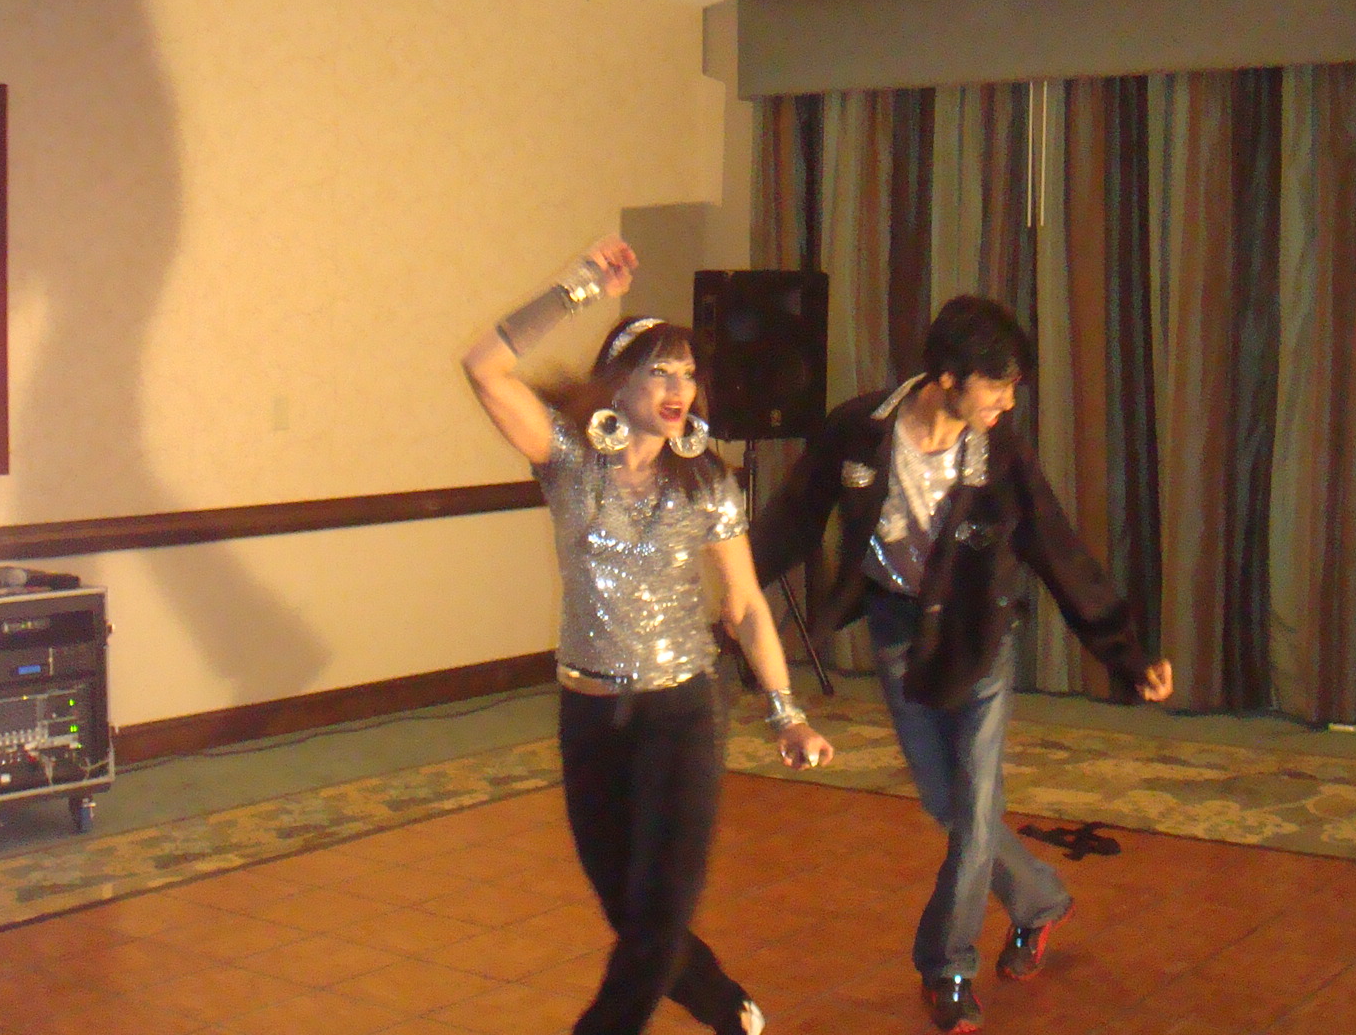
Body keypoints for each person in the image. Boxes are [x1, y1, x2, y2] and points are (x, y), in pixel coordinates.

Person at [750, 295, 1172, 1034]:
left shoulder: (999, 455)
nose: (1007, 403)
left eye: (1013, 389)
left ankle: (946, 965)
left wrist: (1125, 652)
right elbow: (792, 516)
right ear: (947, 378)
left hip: (980, 634)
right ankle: (1039, 900)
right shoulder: (861, 430)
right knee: (948, 804)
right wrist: (737, 585)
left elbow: (1058, 550)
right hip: (897, 629)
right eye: (997, 386)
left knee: (975, 807)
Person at [461, 237, 832, 1035]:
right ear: (620, 381)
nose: (678, 389)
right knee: (632, 913)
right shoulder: (567, 461)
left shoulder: (707, 481)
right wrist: (577, 287)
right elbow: (484, 367)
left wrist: (786, 713)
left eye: (687, 374)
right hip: (589, 713)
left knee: (659, 911)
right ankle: (726, 1007)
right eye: (660, 372)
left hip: (681, 713)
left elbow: (745, 604)